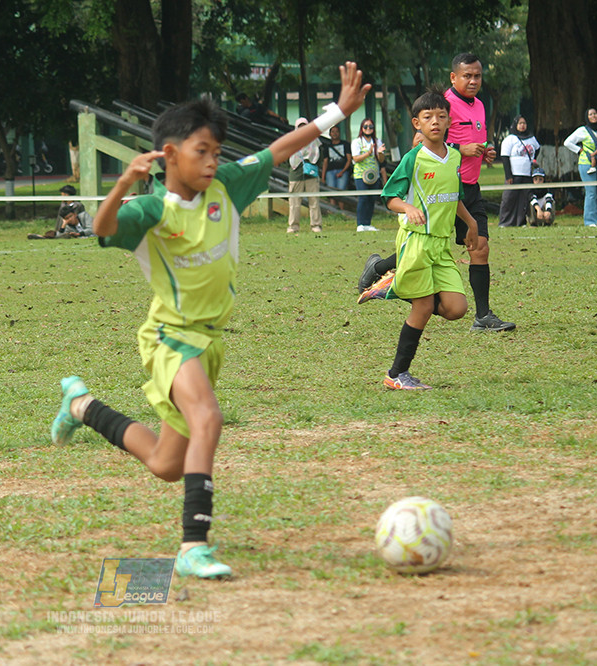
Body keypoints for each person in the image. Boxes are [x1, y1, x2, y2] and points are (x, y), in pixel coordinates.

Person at [49, 62, 370, 579]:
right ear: (170, 154)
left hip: (209, 341)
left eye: (217, 152)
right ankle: (192, 546)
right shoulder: (151, 211)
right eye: (202, 151)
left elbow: (280, 149)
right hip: (170, 338)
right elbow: (103, 228)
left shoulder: (226, 186)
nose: (212, 161)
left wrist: (338, 111)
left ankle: (81, 405)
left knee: (165, 464)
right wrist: (124, 181)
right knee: (208, 419)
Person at [359, 53, 515, 332]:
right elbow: (420, 143)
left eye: (477, 76)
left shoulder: (480, 105)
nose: (473, 81)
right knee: (424, 247)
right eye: (467, 76)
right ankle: (381, 269)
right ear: (453, 77)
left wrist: (483, 152)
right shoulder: (440, 105)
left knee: (480, 246)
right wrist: (461, 149)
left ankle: (483, 316)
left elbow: (470, 141)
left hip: (468, 188)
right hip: (436, 191)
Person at [356, 89, 479, 390]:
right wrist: (408, 208)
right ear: (417, 123)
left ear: (449, 121)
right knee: (422, 307)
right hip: (416, 242)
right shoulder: (414, 158)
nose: (435, 121)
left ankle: (393, 284)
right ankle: (396, 374)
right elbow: (390, 197)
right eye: (428, 117)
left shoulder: (454, 157)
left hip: (441, 245)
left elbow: (454, 197)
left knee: (457, 308)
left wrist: (471, 222)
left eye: (441, 116)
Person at [564, 108, 597, 227]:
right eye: (590, 114)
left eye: (595, 114)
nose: (593, 116)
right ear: (587, 117)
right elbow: (567, 142)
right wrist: (579, 150)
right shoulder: (582, 130)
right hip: (586, 164)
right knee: (591, 192)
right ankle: (589, 220)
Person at [498, 115, 541, 227]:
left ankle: (521, 221)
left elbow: (537, 148)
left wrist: (532, 160)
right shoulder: (510, 139)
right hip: (514, 174)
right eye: (520, 123)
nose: (522, 126)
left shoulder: (531, 138)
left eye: (524, 123)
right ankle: (505, 222)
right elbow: (505, 157)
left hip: (527, 174)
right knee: (509, 198)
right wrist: (508, 175)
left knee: (524, 199)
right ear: (516, 125)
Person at [286, 117, 323, 234]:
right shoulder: (291, 140)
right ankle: (293, 226)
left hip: (311, 173)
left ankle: (316, 225)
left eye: (304, 126)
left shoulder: (314, 139)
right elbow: (286, 156)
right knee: (294, 202)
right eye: (300, 126)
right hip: (296, 173)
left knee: (314, 201)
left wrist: (313, 165)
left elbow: (319, 156)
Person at [351, 118, 386, 232]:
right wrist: (369, 153)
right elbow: (356, 158)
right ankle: (360, 224)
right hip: (360, 175)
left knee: (371, 199)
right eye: (365, 126)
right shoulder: (357, 142)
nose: (368, 128)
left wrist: (380, 153)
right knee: (363, 198)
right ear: (361, 128)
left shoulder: (377, 141)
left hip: (374, 175)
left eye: (370, 126)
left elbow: (381, 160)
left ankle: (368, 223)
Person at [27, 185, 95, 239]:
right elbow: (59, 218)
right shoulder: (63, 205)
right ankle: (42, 237)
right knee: (56, 233)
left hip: (75, 227)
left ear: (67, 195)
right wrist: (59, 228)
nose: (61, 197)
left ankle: (45, 237)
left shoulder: (78, 205)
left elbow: (81, 219)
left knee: (62, 234)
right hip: (65, 227)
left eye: (62, 195)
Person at [320, 125, 352, 208]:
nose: (335, 133)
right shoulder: (327, 146)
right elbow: (325, 162)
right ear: (330, 134)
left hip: (343, 171)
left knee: (341, 192)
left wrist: (343, 171)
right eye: (333, 132)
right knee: (331, 192)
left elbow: (349, 160)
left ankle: (341, 210)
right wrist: (323, 177)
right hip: (330, 172)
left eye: (336, 131)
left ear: (340, 133)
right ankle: (333, 210)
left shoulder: (345, 144)